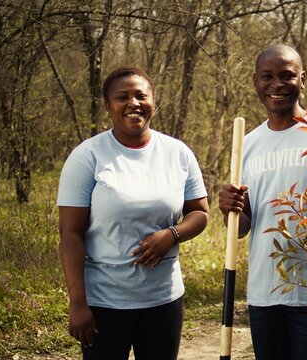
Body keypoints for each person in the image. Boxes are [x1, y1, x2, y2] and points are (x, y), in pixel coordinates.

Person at [57, 66, 209, 359]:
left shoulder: (178, 153)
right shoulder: (88, 156)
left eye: (141, 95)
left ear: (154, 101)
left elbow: (200, 213)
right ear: (107, 106)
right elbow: (70, 235)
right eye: (122, 97)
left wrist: (172, 234)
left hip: (163, 299)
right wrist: (78, 303)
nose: (133, 103)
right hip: (104, 303)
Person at [218, 44, 307, 360]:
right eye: (267, 76)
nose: (276, 85)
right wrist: (230, 210)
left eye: (286, 76)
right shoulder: (247, 143)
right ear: (255, 81)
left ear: (302, 80)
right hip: (264, 293)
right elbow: (241, 228)